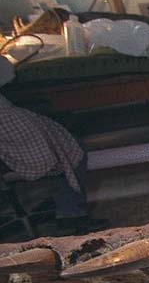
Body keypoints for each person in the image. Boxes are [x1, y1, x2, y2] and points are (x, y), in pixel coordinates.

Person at [0, 93, 107, 235]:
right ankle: (70, 213)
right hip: (19, 147)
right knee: (74, 152)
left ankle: (67, 208)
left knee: (67, 150)